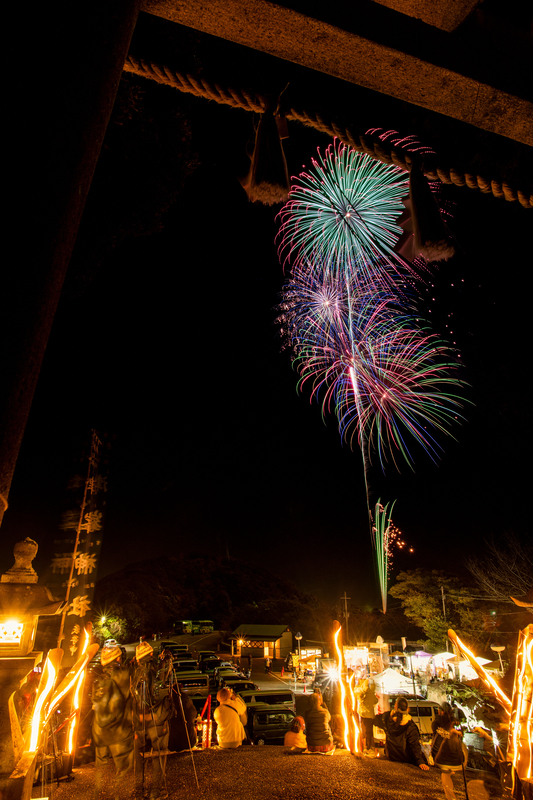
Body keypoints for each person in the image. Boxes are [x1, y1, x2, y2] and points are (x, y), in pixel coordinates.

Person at [374, 697, 429, 770]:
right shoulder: (410, 725)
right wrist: (420, 761)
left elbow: (374, 720)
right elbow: (415, 745)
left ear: (395, 706)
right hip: (406, 758)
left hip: (391, 755)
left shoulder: (387, 718)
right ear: (407, 709)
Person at [431, 712, 465, 800]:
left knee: (445, 776)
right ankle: (450, 796)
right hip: (453, 763)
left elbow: (437, 750)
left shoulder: (444, 735)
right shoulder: (456, 740)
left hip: (443, 762)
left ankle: (450, 796)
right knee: (447, 776)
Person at [356, 678, 379, 757]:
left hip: (364, 715)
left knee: (365, 731)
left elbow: (357, 694)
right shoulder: (372, 694)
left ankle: (366, 747)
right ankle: (370, 747)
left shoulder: (362, 693)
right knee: (369, 732)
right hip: (371, 716)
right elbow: (376, 701)